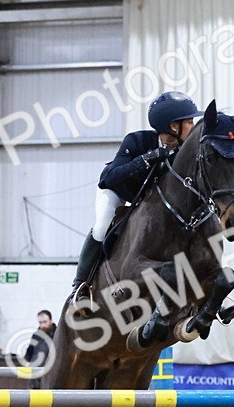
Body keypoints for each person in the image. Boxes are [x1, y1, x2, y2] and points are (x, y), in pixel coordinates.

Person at [71, 91, 203, 293]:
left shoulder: (183, 153)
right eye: (190, 122)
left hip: (146, 201)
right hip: (118, 193)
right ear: (173, 126)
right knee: (101, 226)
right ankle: (80, 285)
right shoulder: (137, 140)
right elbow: (109, 178)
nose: (193, 128)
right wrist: (147, 159)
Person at [15, 310, 56, 407]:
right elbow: (28, 355)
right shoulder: (36, 336)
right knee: (33, 406)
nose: (42, 325)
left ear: (51, 320)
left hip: (50, 376)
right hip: (35, 376)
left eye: (44, 322)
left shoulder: (58, 335)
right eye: (40, 322)